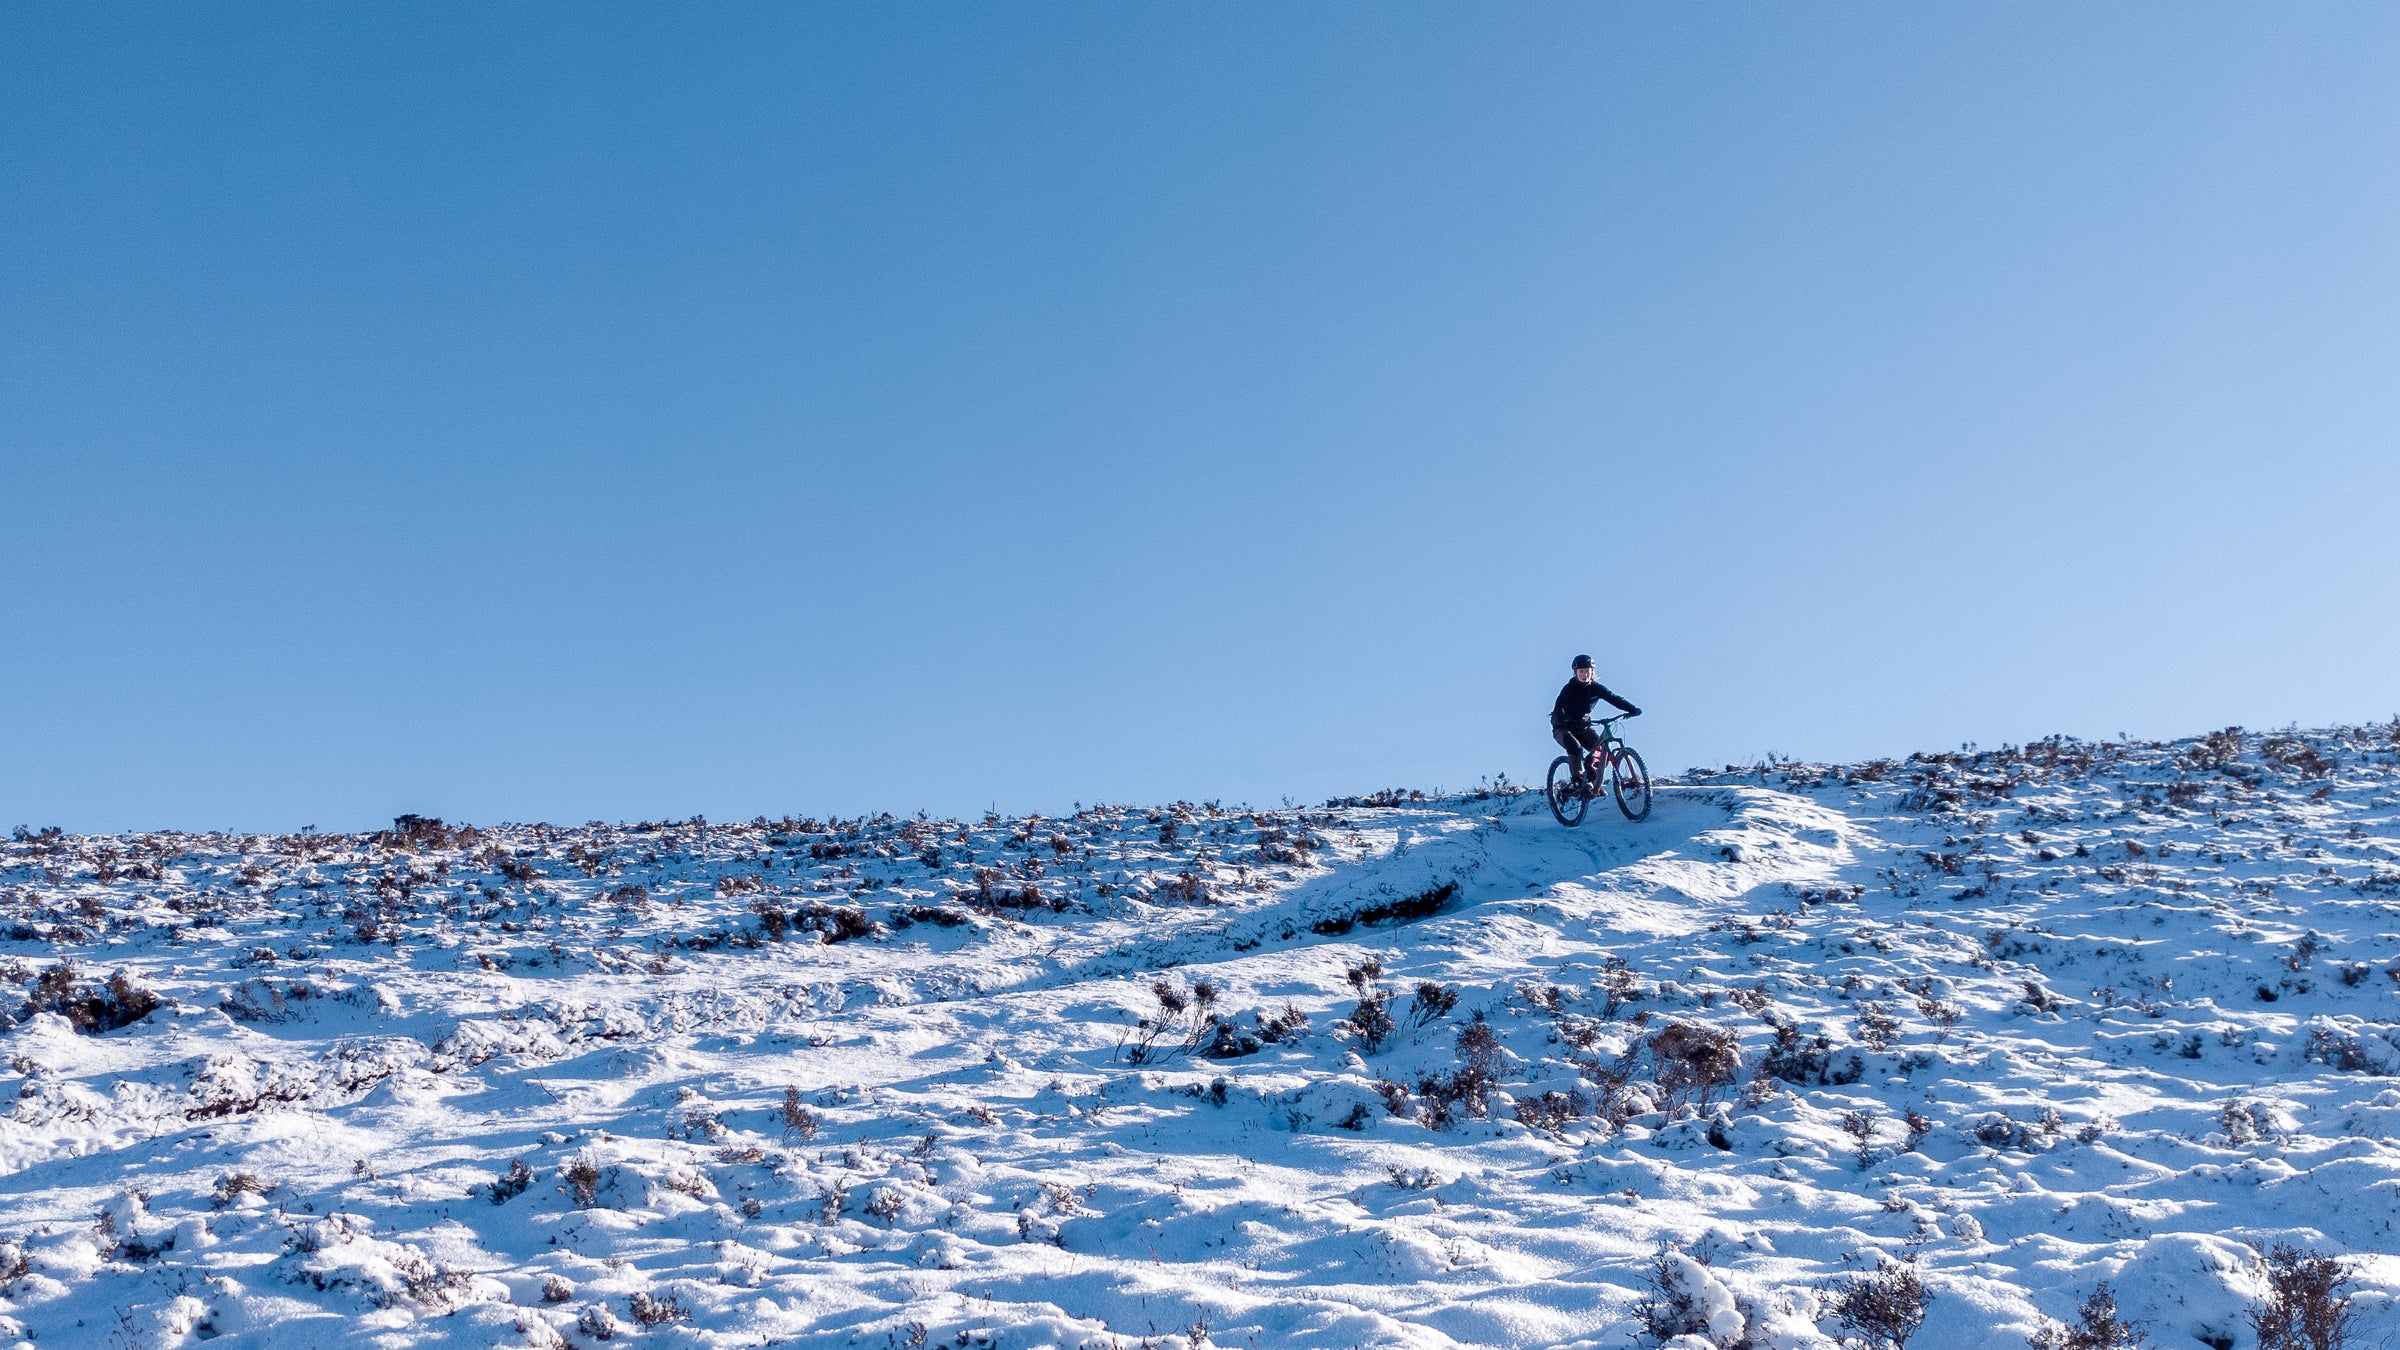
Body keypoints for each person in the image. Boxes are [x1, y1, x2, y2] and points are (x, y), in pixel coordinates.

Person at [1551, 655, 1640, 787]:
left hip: (1583, 727)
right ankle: (1577, 780)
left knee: (1602, 751)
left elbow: (1614, 698)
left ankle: (1590, 782)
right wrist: (1564, 721)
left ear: (1592, 672)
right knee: (1574, 747)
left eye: (1587, 671)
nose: (1584, 674)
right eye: (1581, 671)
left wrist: (1632, 709)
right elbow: (1557, 709)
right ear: (1575, 672)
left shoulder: (1596, 688)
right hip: (1563, 728)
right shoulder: (1569, 689)